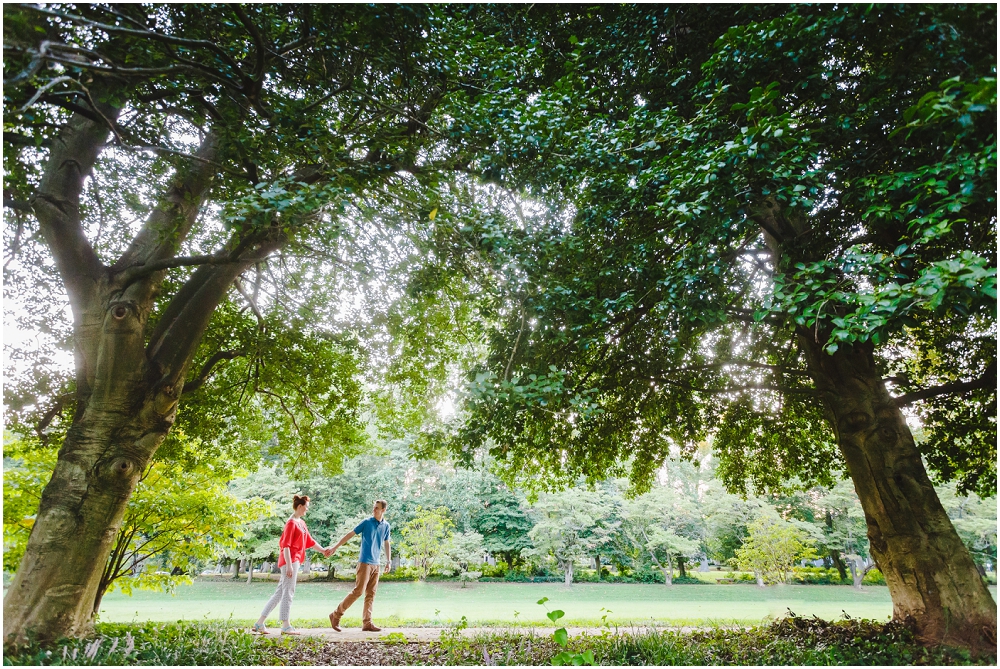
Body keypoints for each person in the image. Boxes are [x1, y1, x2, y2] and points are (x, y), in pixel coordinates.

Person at [252, 494, 332, 635]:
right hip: (290, 560)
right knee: (288, 592)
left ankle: (259, 623)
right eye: (306, 507)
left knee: (279, 593)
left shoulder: (301, 523)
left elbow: (310, 541)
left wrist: (323, 551)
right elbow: (286, 546)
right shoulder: (291, 523)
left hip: (294, 560)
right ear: (300, 506)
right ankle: (285, 625)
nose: (307, 510)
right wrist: (289, 565)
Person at [327, 499, 392, 632]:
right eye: (374, 507)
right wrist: (335, 547)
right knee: (358, 591)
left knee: (371, 594)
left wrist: (388, 561)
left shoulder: (386, 526)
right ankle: (336, 615)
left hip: (376, 563)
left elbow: (386, 543)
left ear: (383, 510)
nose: (374, 510)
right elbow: (350, 534)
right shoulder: (366, 522)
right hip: (364, 562)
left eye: (377, 508)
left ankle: (367, 623)